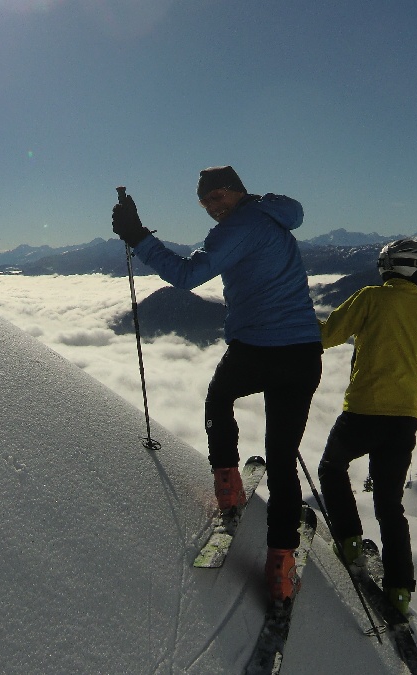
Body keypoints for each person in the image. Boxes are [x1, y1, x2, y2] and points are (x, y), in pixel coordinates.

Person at [111, 166, 322, 603]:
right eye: (205, 202)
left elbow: (188, 275)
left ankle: (228, 489)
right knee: (282, 458)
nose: (212, 207)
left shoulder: (240, 226)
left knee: (218, 400)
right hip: (303, 353)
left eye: (218, 197)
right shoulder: (271, 216)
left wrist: (138, 237)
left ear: (236, 191)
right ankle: (282, 567)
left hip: (258, 349)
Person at [315, 239, 417, 616]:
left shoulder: (370, 298)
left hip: (362, 412)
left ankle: (348, 539)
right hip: (403, 422)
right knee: (389, 505)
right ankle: (399, 588)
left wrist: (287, 320)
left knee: (331, 467)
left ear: (387, 267)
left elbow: (325, 336)